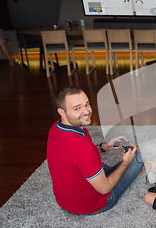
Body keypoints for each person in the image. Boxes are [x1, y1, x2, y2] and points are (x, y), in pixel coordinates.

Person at [47, 86, 145, 215]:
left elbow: (75, 157)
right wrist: (126, 163)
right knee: (139, 156)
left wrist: (104, 146)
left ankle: (112, 172)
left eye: (87, 104)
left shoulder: (56, 127)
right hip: (92, 205)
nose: (86, 111)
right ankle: (125, 170)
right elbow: (104, 189)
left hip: (64, 200)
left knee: (93, 163)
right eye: (77, 108)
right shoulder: (83, 149)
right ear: (62, 112)